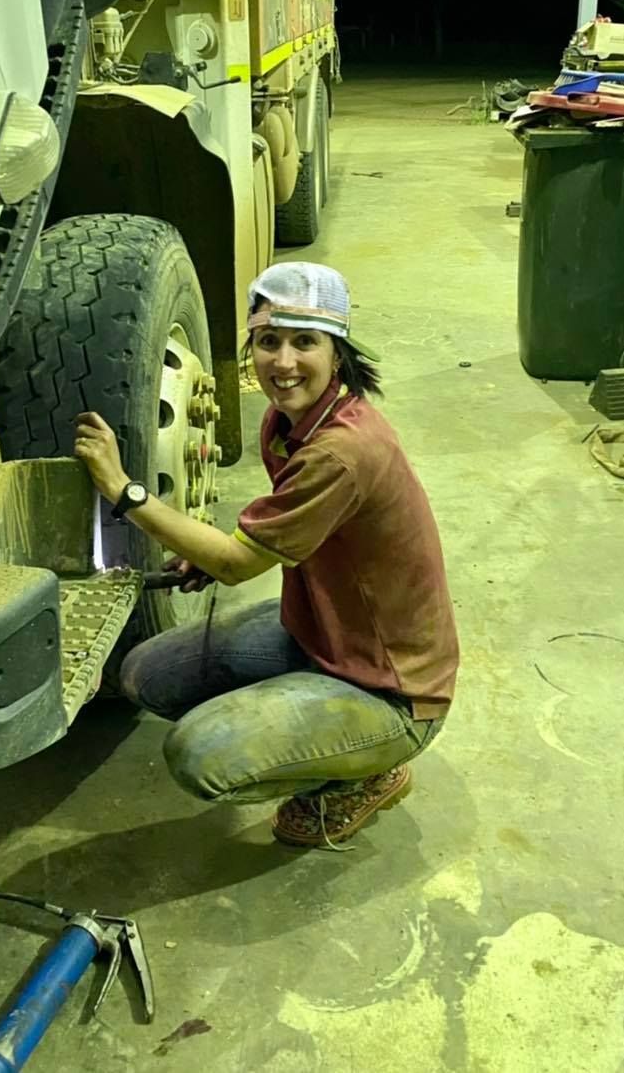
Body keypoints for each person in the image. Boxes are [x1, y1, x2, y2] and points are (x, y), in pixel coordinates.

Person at [73, 262, 458, 848]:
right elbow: (281, 532)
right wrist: (211, 550)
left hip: (394, 689)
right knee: (147, 676)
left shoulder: (343, 450)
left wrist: (123, 490)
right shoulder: (287, 421)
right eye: (268, 341)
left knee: (199, 755)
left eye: (305, 342)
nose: (283, 363)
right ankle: (315, 715)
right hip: (323, 636)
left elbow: (235, 563)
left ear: (337, 352)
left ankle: (360, 773)